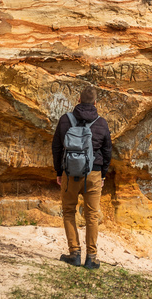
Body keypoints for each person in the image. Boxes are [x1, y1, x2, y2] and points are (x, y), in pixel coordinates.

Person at [51, 85, 112, 270]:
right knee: (92, 215)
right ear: (95, 103)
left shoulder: (65, 120)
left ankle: (74, 253)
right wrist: (103, 174)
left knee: (69, 211)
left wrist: (59, 172)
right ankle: (91, 257)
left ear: (78, 101)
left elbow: (56, 147)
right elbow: (108, 151)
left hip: (69, 173)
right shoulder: (101, 123)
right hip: (93, 174)